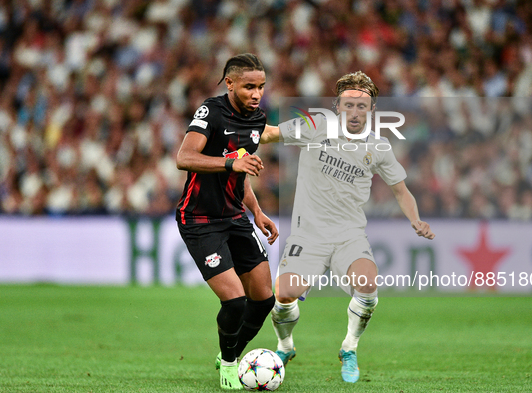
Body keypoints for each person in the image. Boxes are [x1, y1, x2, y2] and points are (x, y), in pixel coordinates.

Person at [260, 71, 435, 383]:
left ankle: (349, 347)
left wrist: (415, 220)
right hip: (308, 233)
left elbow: (401, 190)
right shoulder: (314, 126)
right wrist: (233, 134)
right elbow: (270, 133)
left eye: (362, 106)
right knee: (285, 293)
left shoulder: (378, 147)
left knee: (367, 285)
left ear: (371, 110)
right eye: (349, 105)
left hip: (348, 235)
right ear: (337, 106)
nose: (355, 112)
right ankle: (285, 345)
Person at [176, 53, 278, 390]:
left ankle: (230, 354)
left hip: (235, 216)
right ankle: (230, 364)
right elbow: (184, 158)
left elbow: (242, 174)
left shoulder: (257, 120)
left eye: (261, 86)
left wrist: (257, 211)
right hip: (199, 219)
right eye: (249, 86)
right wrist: (229, 163)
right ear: (230, 83)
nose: (256, 93)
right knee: (234, 300)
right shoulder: (212, 111)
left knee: (264, 299)